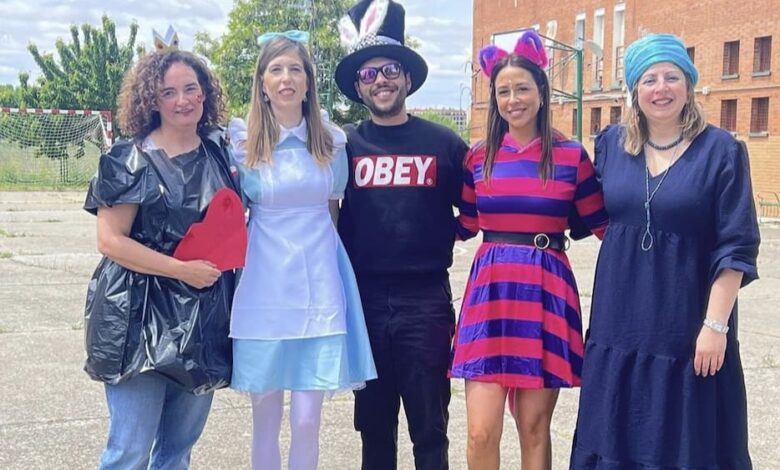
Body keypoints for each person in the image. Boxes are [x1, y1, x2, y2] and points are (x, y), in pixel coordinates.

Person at [570, 33, 760, 469]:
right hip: (619, 324)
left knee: (686, 443)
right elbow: (580, 211)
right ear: (634, 90)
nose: (661, 88)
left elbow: (737, 245)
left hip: (688, 326)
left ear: (688, 84)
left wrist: (715, 326)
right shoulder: (611, 145)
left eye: (672, 77)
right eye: (649, 79)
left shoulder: (722, 151)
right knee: (616, 434)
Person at [448, 30, 608, 470]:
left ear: (541, 92)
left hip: (546, 293)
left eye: (522, 88)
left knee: (534, 429)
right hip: (490, 295)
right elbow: (465, 225)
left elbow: (606, 227)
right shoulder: (478, 157)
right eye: (503, 91)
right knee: (480, 432)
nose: (512, 99)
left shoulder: (572, 157)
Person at [83, 38, 238, 468]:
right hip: (137, 317)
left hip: (202, 318)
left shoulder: (220, 151)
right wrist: (181, 270)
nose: (182, 100)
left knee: (176, 451)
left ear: (205, 93)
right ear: (151, 100)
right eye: (168, 92)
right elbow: (110, 240)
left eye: (190, 89)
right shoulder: (129, 158)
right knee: (129, 450)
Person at [227, 31, 376, 470]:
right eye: (276, 69)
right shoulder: (241, 144)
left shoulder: (331, 142)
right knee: (265, 417)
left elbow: (332, 212)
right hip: (264, 287)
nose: (286, 78)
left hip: (319, 286)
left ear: (309, 81)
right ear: (262, 82)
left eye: (295, 69)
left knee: (308, 420)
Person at [334, 1, 469, 468]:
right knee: (373, 428)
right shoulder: (344, 144)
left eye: (391, 70)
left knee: (430, 427)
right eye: (369, 74)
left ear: (407, 79)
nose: (381, 80)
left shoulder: (444, 144)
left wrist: (447, 234)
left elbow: (478, 204)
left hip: (425, 300)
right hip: (365, 300)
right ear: (358, 87)